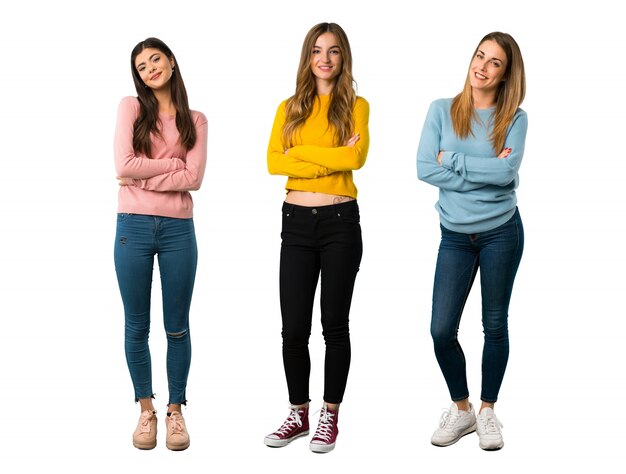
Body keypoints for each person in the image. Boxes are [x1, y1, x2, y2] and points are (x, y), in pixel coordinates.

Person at [416, 32, 527, 451]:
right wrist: (487, 168)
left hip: (502, 231)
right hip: (455, 236)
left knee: (494, 324)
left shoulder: (515, 117)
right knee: (441, 329)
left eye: (494, 62)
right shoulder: (441, 110)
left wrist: (454, 160)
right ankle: (461, 409)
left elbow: (507, 175)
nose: (482, 66)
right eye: (479, 56)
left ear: (505, 74)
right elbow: (425, 168)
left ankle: (487, 411)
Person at [263, 22, 369, 453]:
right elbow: (273, 163)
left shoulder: (356, 105)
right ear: (308, 58)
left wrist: (300, 155)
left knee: (334, 325)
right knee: (293, 328)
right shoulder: (288, 107)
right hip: (296, 222)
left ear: (344, 58)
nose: (325, 58)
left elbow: (355, 157)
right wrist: (330, 160)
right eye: (317, 51)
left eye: (334, 51)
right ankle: (298, 412)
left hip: (340, 222)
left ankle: (330, 414)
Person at [114, 37, 207, 451]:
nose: (149, 68)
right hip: (132, 225)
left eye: (155, 59)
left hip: (178, 232)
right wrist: (172, 166)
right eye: (141, 66)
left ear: (171, 61)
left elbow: (195, 179)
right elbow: (122, 165)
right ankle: (145, 410)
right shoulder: (131, 108)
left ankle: (175, 411)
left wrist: (142, 176)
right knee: (137, 325)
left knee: (177, 327)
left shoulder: (196, 120)